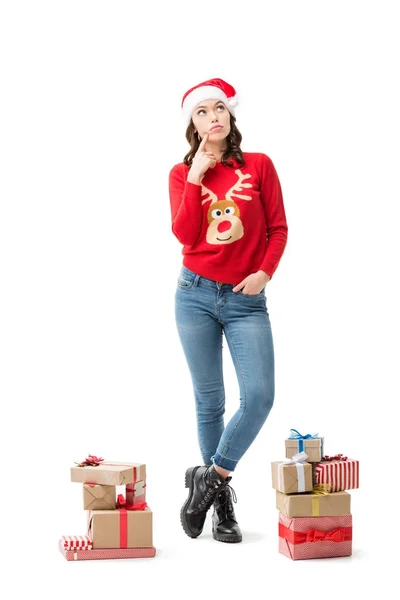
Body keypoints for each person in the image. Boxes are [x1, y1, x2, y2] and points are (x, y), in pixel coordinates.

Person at [168, 78, 288, 543]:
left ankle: (211, 477)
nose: (213, 116)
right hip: (193, 293)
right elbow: (186, 236)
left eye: (220, 108)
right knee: (209, 401)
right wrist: (196, 175)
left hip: (246, 300)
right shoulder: (181, 175)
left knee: (258, 396)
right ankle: (221, 509)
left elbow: (277, 228)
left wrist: (264, 273)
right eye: (202, 112)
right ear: (192, 125)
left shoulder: (259, 166)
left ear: (231, 116)